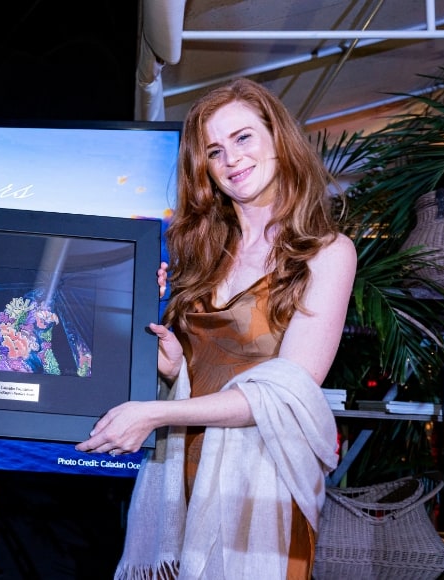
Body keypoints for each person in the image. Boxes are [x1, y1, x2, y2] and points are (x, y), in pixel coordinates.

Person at [76, 78, 357, 579]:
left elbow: (287, 391)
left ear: (278, 138)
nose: (231, 159)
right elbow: (198, 361)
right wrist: (170, 364)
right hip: (181, 472)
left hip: (265, 486)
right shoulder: (200, 252)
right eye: (214, 150)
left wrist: (157, 412)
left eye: (244, 137)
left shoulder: (327, 252)